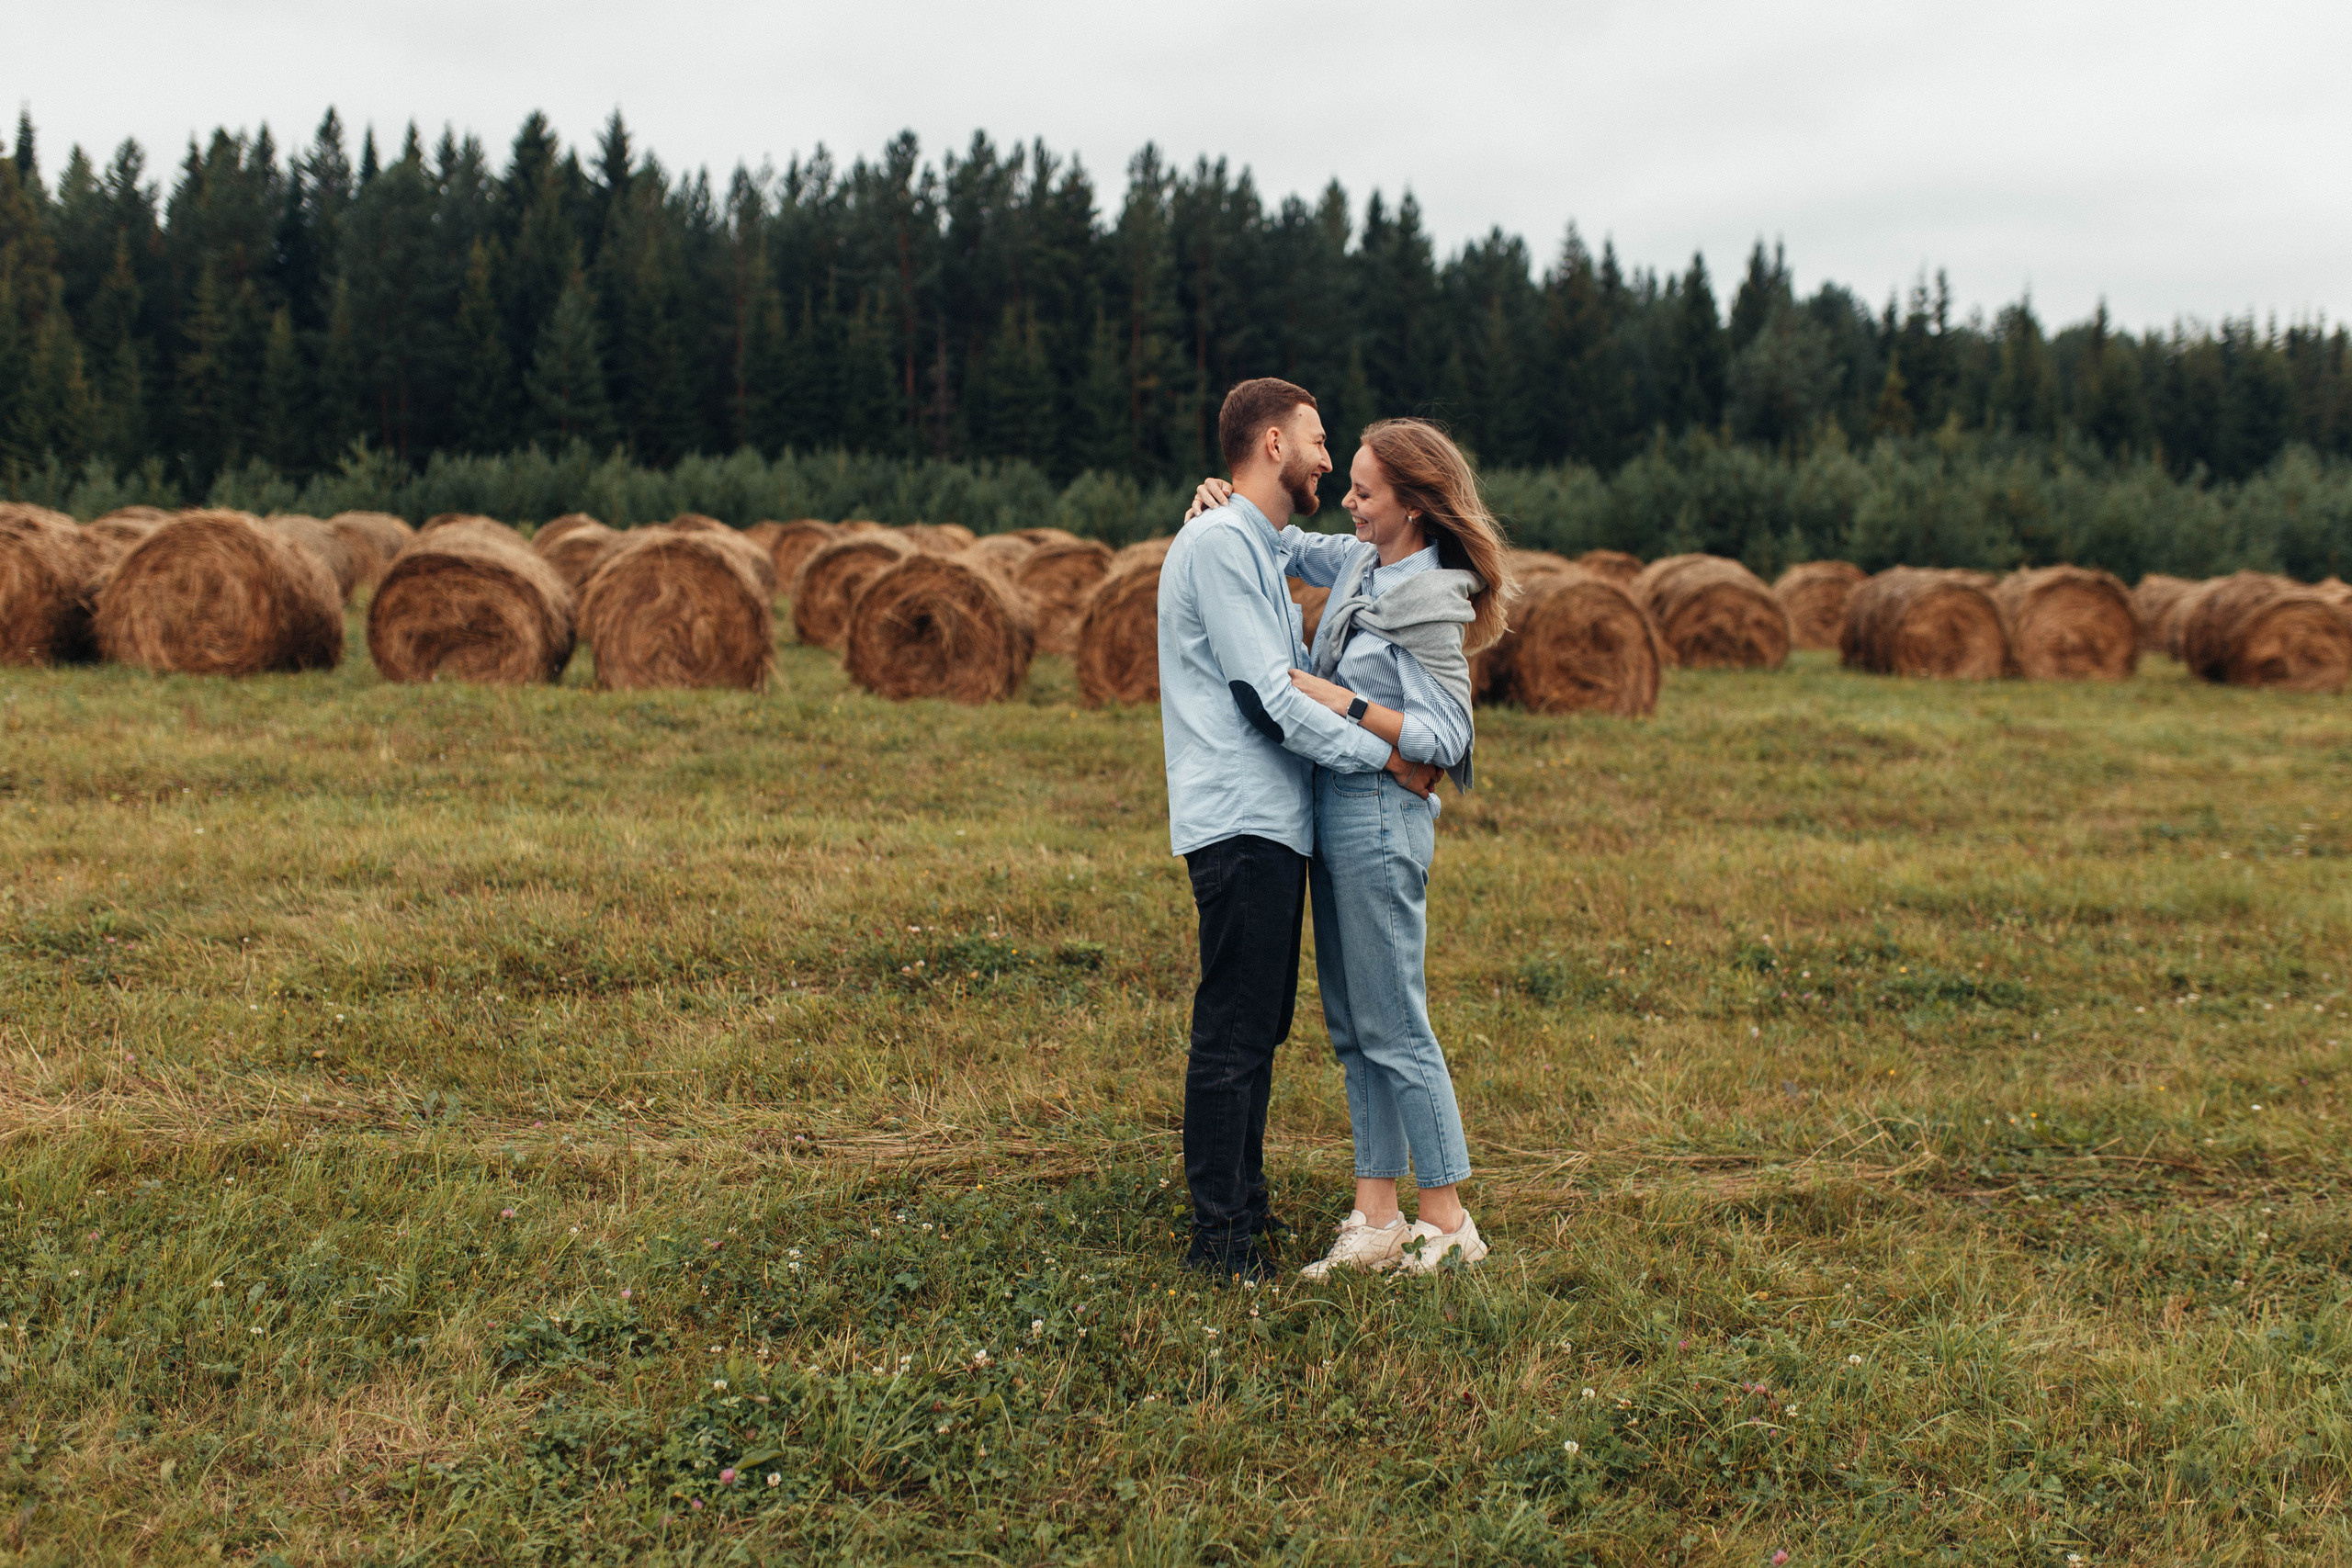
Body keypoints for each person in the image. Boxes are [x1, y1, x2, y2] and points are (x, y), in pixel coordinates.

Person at [1184, 417, 1514, 1278]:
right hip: (1333, 809)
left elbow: (1450, 737)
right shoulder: (1362, 562)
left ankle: (1448, 1219)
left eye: (1366, 492)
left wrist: (1347, 703)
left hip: (1380, 813)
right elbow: (1283, 539)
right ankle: (1376, 1215)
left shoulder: (1430, 600)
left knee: (1395, 1021)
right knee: (1354, 1029)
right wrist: (1222, 496)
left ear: (1413, 506)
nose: (1351, 503)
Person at [1157, 378, 1442, 1282]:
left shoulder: (1252, 538)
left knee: (1256, 1026)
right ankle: (1222, 1243)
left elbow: (1350, 549)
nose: (1329, 461)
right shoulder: (1220, 544)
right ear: (1274, 443)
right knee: (1235, 1031)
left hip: (1271, 822)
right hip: (1243, 818)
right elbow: (1267, 697)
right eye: (1319, 442)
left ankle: (1244, 1212)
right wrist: (1385, 756)